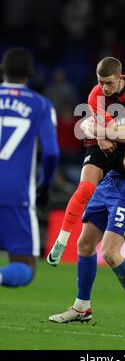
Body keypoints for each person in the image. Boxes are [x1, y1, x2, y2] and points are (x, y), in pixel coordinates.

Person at [49, 61, 125, 330]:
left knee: (111, 253)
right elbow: (88, 125)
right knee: (85, 245)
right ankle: (81, 307)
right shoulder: (117, 102)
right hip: (108, 178)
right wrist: (100, 130)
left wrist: (104, 131)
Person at [47, 57, 125, 267]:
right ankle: (61, 241)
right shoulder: (95, 96)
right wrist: (101, 134)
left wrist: (105, 131)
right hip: (100, 146)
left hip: (120, 145)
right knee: (85, 188)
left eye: (109, 83)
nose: (104, 87)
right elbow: (110, 129)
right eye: (100, 82)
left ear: (120, 78)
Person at [0, 48, 59, 287]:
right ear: (30, 74)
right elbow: (52, 152)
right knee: (25, 265)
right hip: (16, 192)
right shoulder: (41, 105)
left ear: (3, 70)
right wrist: (45, 186)